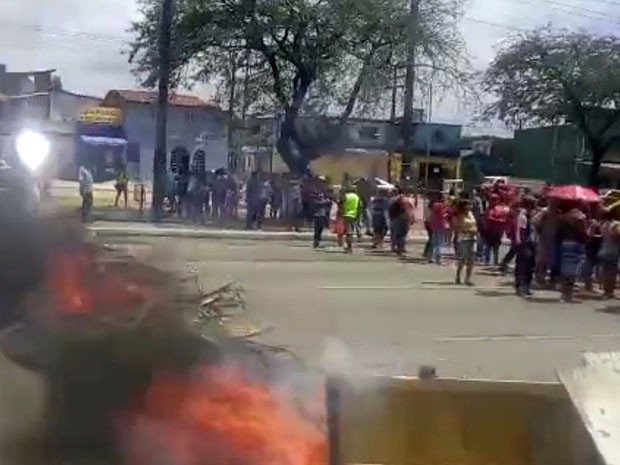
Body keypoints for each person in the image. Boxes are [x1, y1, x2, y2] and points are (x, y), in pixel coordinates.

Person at [558, 208, 587, 302]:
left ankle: (564, 294)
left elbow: (559, 233)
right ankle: (568, 295)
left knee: (565, 269)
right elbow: (583, 233)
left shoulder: (564, 218)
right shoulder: (580, 219)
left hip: (565, 243)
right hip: (576, 244)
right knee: (572, 271)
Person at [514, 197, 537, 297]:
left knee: (531, 265)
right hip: (524, 242)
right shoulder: (522, 215)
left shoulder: (532, 214)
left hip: (532, 242)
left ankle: (527, 286)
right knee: (522, 265)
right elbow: (519, 229)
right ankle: (520, 287)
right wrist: (519, 240)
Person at [453, 197, 477, 286]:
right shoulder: (459, 216)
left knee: (471, 260)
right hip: (463, 239)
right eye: (468, 205)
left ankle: (468, 279)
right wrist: (469, 231)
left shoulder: (471, 214)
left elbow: (474, 224)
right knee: (462, 260)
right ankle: (458, 276)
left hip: (473, 239)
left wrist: (475, 231)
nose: (470, 206)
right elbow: (459, 228)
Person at [598, 205, 620, 299]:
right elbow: (617, 233)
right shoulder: (615, 224)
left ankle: (606, 291)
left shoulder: (603, 224)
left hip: (604, 249)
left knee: (605, 271)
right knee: (611, 272)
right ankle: (609, 292)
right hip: (612, 250)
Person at [340, 186, 361, 253]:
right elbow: (359, 206)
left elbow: (340, 204)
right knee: (351, 231)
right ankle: (350, 246)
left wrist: (341, 211)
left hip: (346, 215)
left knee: (348, 232)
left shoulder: (346, 196)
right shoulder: (357, 197)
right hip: (354, 215)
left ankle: (349, 247)